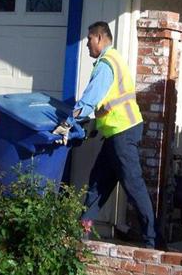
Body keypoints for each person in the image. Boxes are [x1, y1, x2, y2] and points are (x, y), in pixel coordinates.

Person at [52, 21, 157, 249]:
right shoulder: (113, 60)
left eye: (89, 39)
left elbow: (90, 100)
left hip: (123, 132)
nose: (87, 44)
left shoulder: (106, 64)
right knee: (98, 184)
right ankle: (81, 234)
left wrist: (68, 123)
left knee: (133, 186)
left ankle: (153, 241)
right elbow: (104, 104)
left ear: (100, 38)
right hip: (115, 133)